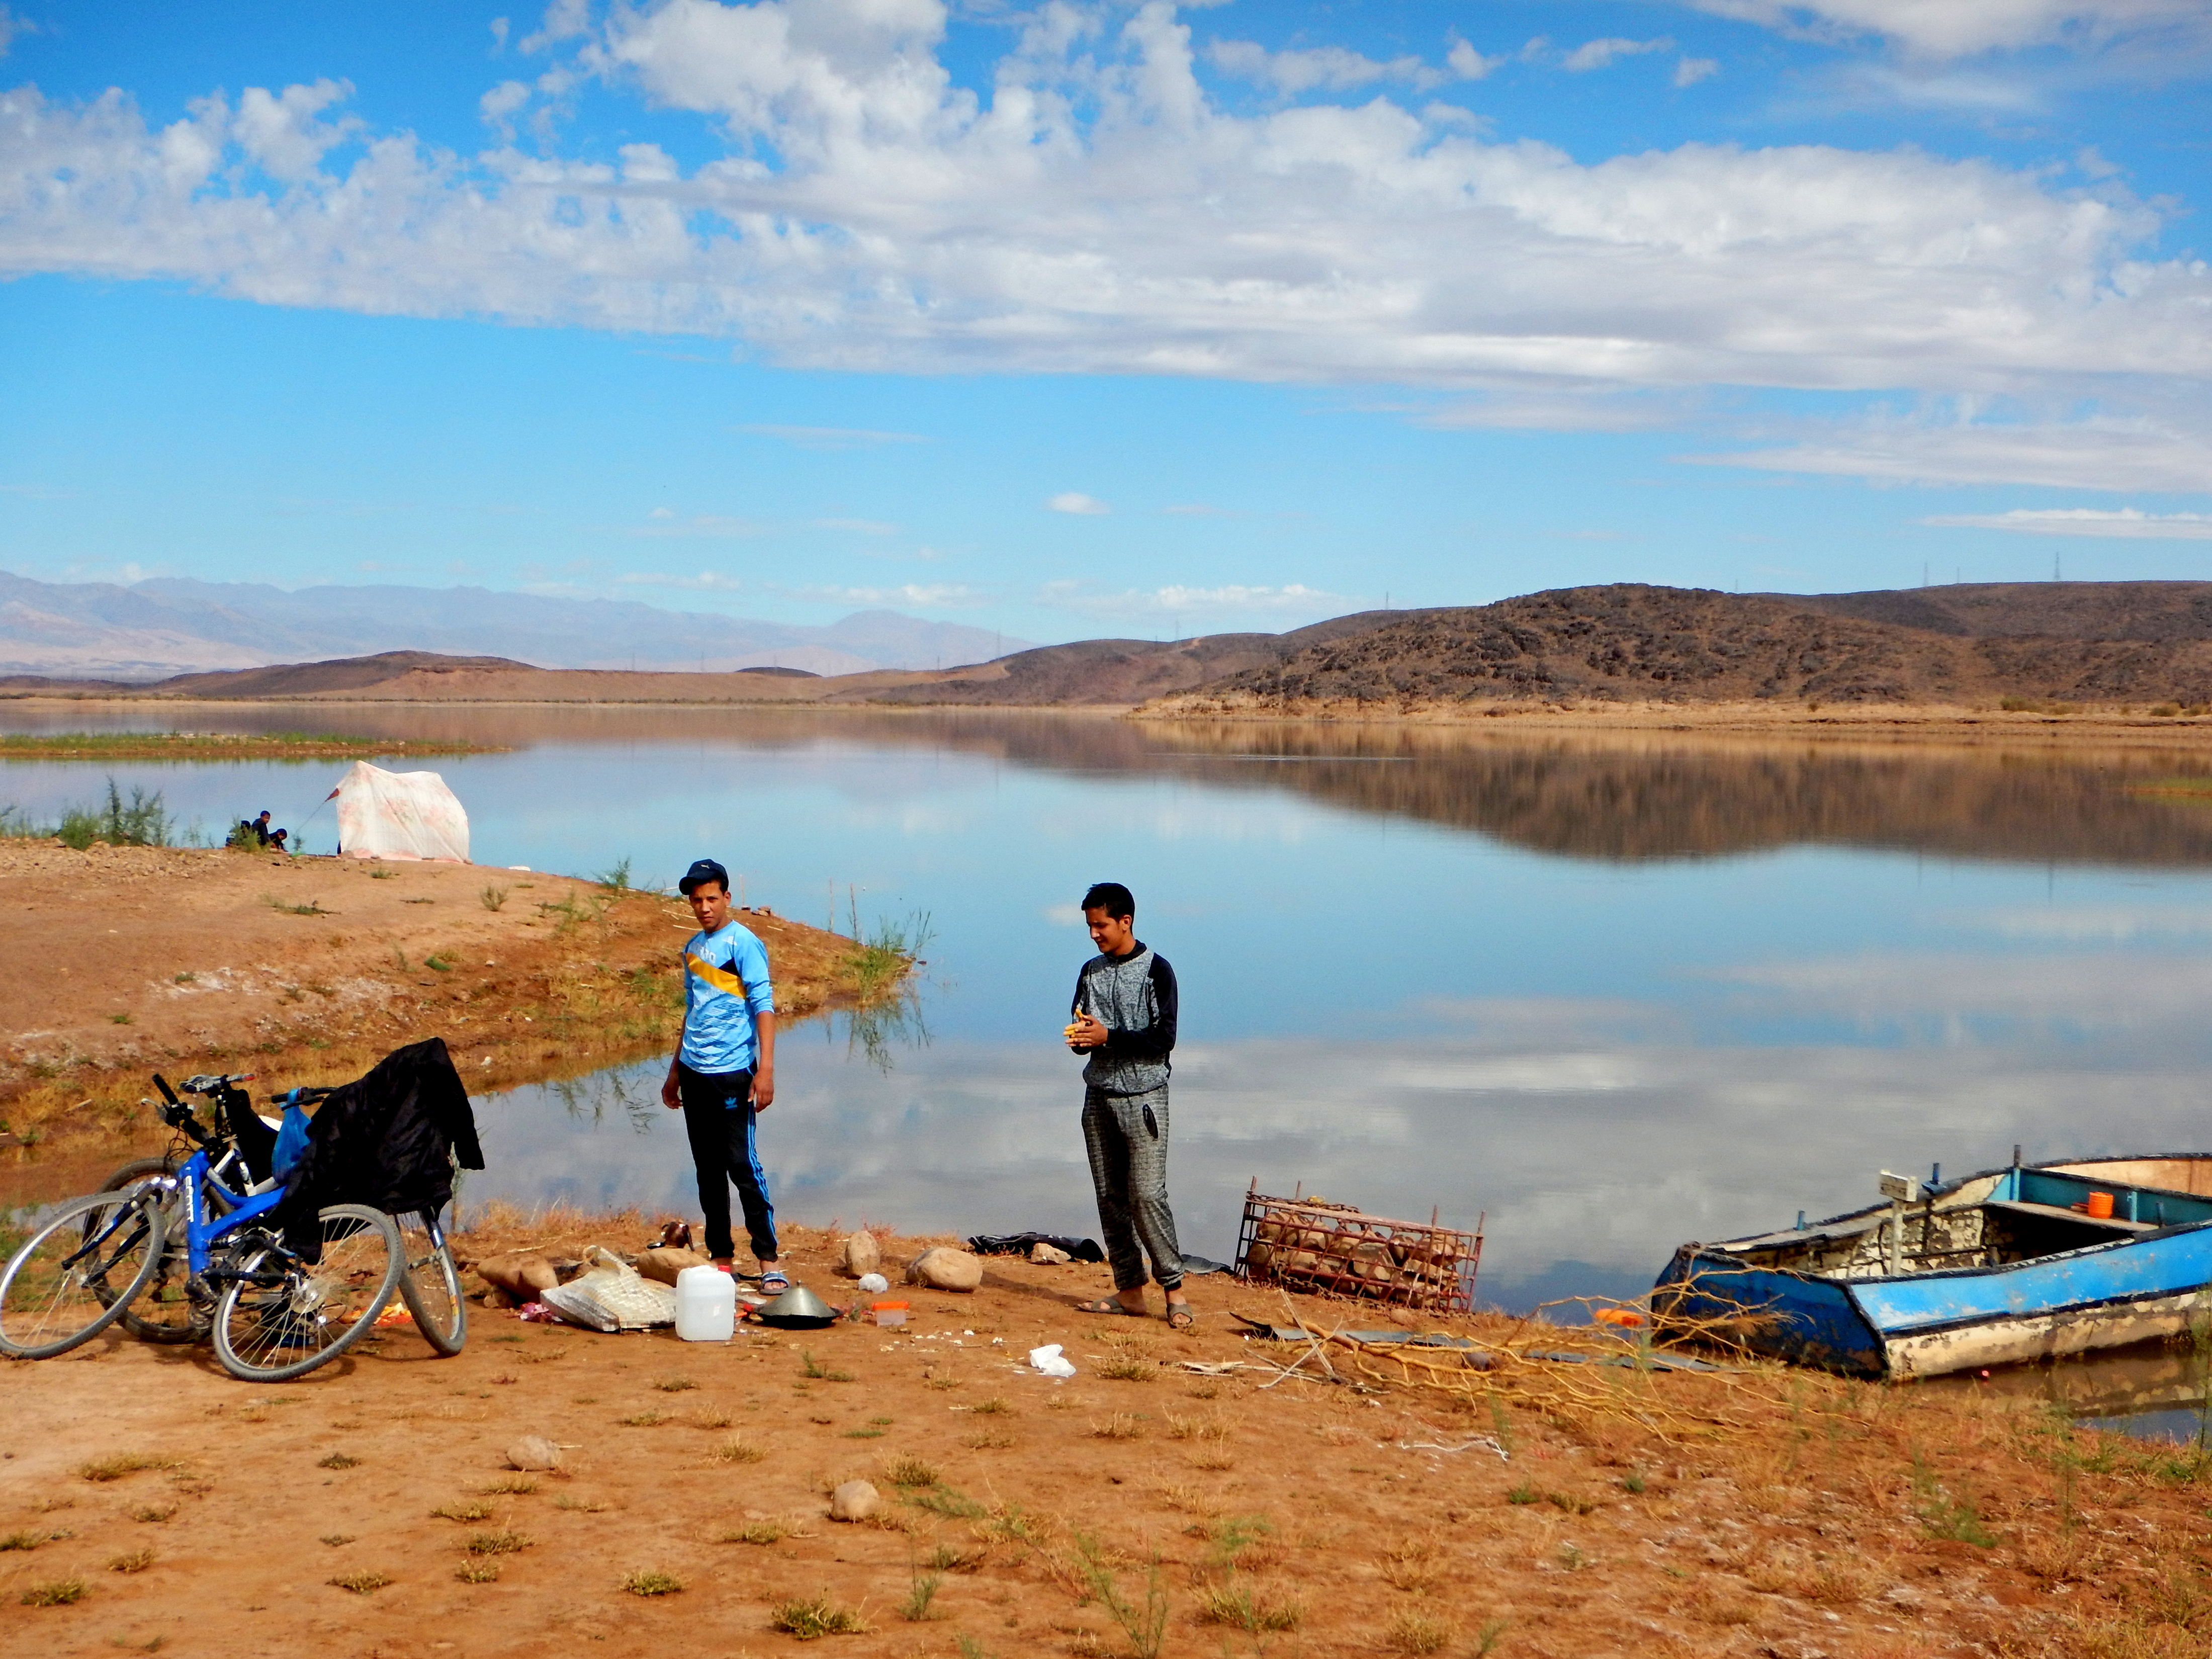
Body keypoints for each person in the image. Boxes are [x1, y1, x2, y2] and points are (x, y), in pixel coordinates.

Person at [1064, 881, 1190, 1328]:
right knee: (1110, 1197)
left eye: (1100, 925)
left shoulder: (1158, 970)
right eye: (1090, 926)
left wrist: (1109, 1037)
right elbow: (1084, 1030)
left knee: (1147, 1195)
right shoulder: (1090, 971)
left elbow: (1164, 1038)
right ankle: (1130, 1291)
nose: (1094, 934)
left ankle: (1174, 1292)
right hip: (1097, 1096)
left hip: (1144, 1100)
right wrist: (1082, 1039)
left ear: (1125, 922)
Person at [659, 858, 785, 1291]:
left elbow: (763, 1006)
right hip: (695, 1074)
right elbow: (692, 1011)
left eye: (712, 898)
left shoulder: (743, 943)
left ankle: (769, 1260)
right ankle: (722, 1259)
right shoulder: (693, 949)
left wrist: (764, 1070)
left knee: (741, 1165)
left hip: (734, 1073)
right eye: (697, 900)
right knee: (707, 1169)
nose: (704, 907)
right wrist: (674, 1072)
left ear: (727, 898)